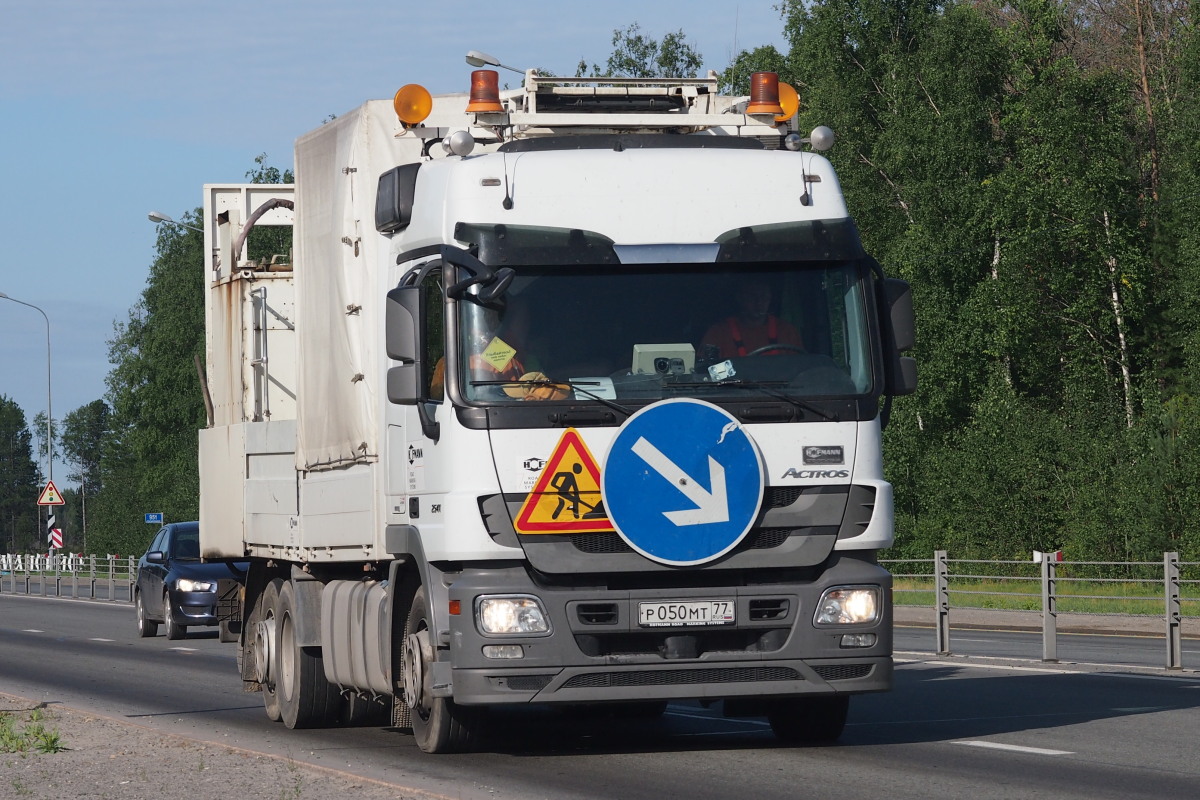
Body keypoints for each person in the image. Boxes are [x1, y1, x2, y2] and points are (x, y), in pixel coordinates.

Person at [700, 279, 803, 360]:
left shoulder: (787, 331)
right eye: (752, 297)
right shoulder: (718, 333)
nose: (759, 302)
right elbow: (705, 371)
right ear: (739, 298)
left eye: (763, 297)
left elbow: (800, 368)